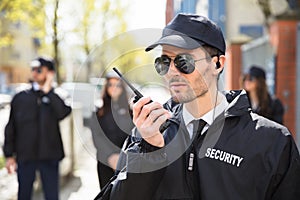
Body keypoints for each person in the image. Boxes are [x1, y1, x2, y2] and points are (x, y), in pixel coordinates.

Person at [94, 13, 300, 200]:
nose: (172, 72)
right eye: (164, 62)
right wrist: (150, 151)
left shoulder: (272, 142)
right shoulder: (146, 135)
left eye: (184, 61)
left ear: (218, 64)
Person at [3, 57, 72, 200]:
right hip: (25, 155)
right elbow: (11, 126)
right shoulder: (21, 97)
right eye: (33, 69)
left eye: (39, 70)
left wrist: (48, 91)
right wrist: (9, 155)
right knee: (24, 195)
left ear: (50, 73)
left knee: (52, 196)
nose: (35, 73)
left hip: (50, 155)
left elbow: (63, 113)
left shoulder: (58, 95)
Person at [88, 71, 134, 189]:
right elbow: (97, 136)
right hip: (105, 161)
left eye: (117, 85)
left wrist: (124, 157)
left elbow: (135, 134)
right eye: (110, 85)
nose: (114, 88)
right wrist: (111, 156)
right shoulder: (99, 111)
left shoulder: (131, 110)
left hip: (128, 162)